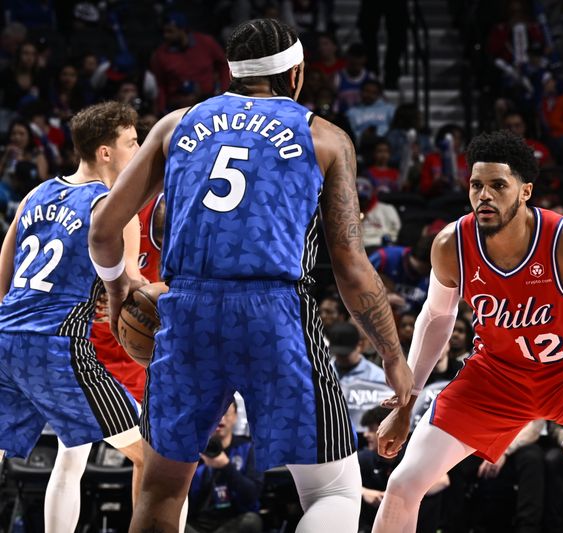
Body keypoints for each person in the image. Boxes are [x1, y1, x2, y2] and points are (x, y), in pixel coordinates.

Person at [87, 18, 413, 533]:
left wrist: (119, 288)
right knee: (332, 491)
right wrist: (394, 359)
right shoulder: (324, 136)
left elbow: (103, 229)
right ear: (297, 74)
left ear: (233, 74)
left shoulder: (176, 123)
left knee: (160, 492)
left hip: (185, 309)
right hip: (275, 313)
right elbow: (351, 269)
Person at [372, 129, 563, 533]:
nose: (484, 196)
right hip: (497, 376)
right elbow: (435, 320)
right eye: (476, 185)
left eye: (497, 185)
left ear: (525, 191)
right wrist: (405, 407)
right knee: (403, 482)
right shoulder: (451, 244)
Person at [0, 102, 144, 512]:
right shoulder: (113, 207)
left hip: (5, 335)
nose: (137, 151)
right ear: (105, 152)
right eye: (131, 143)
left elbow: (3, 276)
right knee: (154, 459)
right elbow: (130, 292)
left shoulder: (35, 194)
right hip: (57, 346)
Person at [186, 403, 263, 533]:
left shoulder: (248, 449)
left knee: (252, 521)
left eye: (225, 413)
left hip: (233, 523)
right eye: (215, 414)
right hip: (198, 525)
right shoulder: (192, 451)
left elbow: (252, 495)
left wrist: (226, 466)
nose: (220, 418)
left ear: (235, 416)